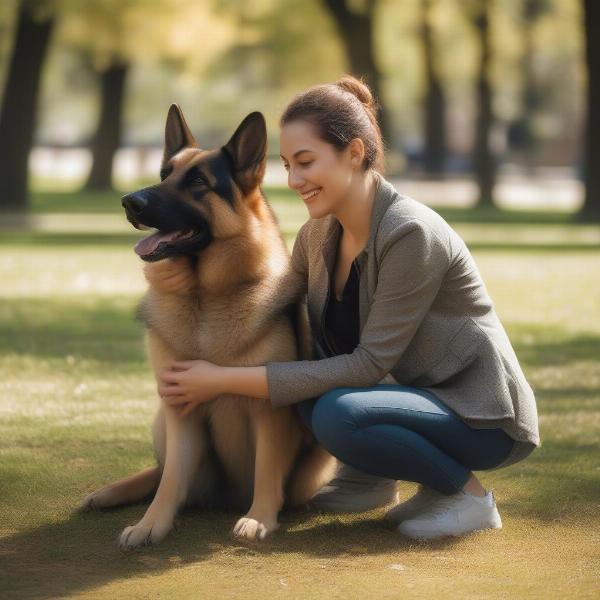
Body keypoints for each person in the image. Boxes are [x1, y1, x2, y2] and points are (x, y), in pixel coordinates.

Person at [152, 75, 541, 540]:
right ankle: (368, 482)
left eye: (306, 162)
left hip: (480, 415)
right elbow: (268, 300)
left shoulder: (409, 234)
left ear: (354, 153)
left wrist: (223, 379)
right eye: (286, 165)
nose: (294, 181)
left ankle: (469, 498)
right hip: (410, 398)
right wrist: (178, 285)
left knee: (337, 411)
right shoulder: (318, 234)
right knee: (306, 381)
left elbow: (370, 363)